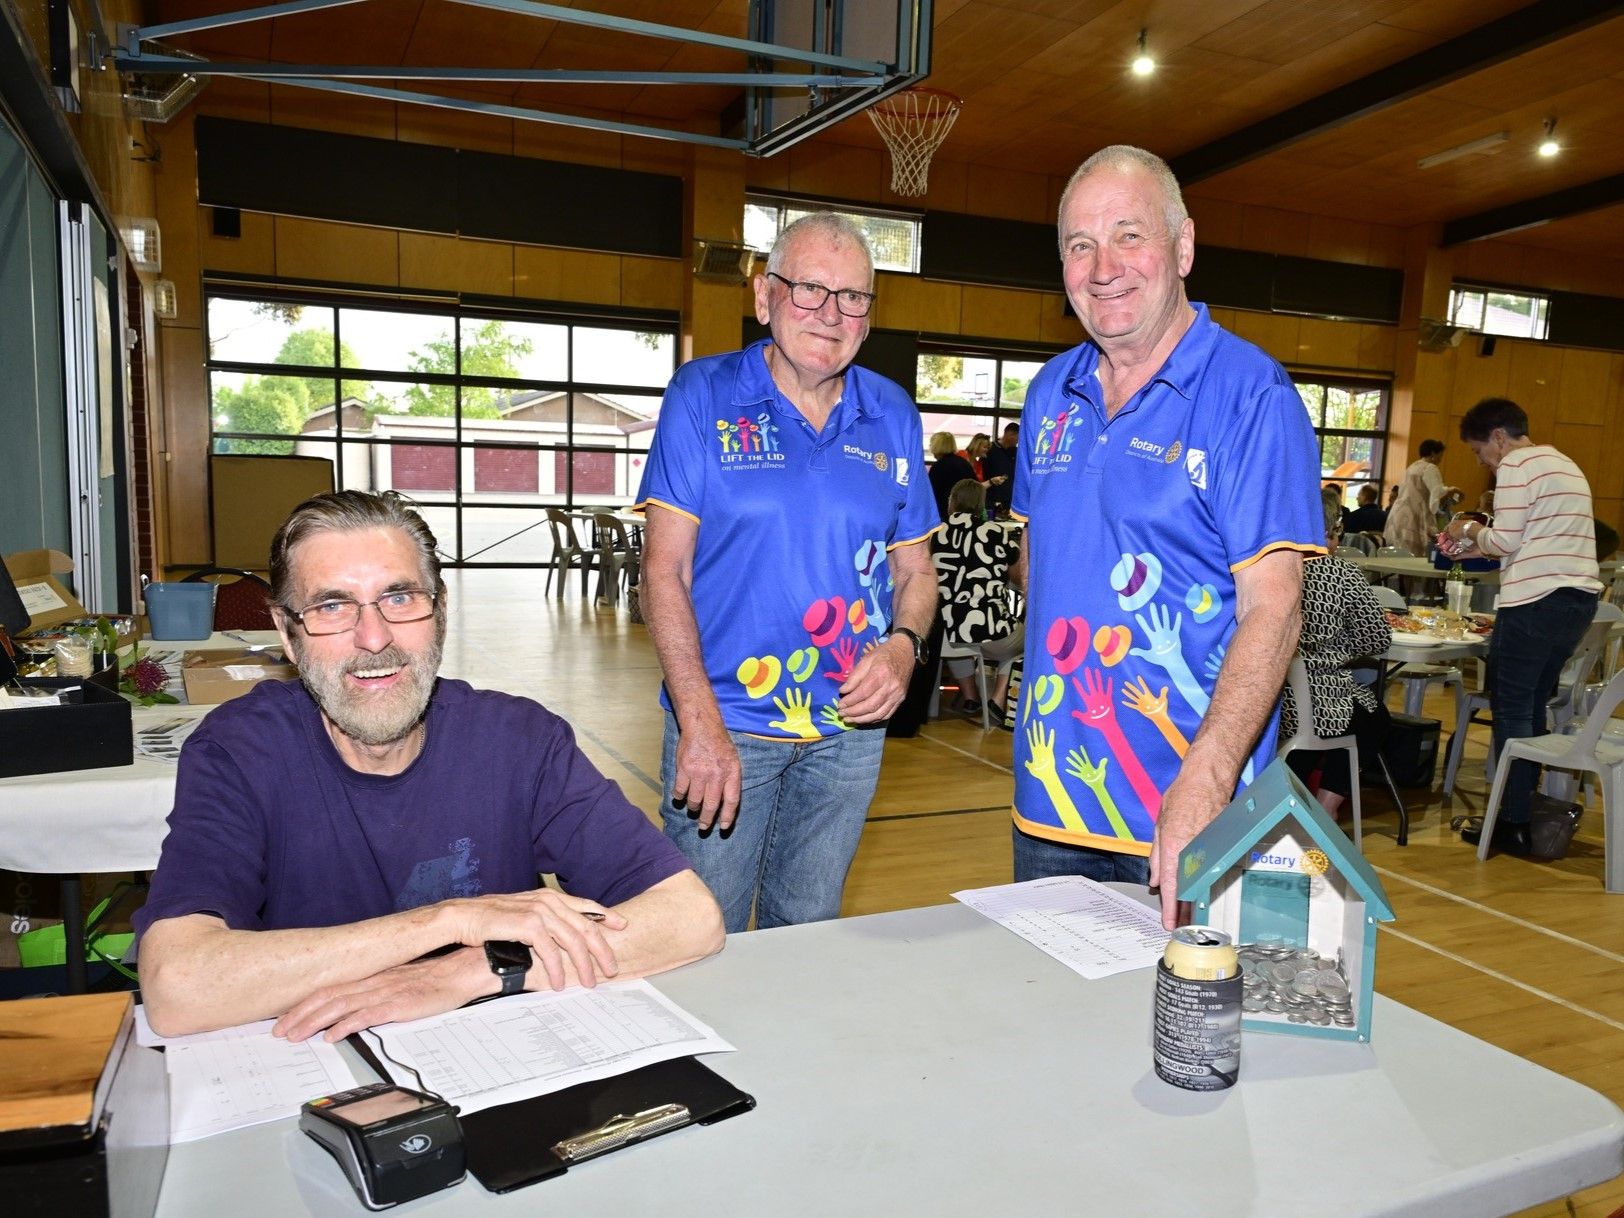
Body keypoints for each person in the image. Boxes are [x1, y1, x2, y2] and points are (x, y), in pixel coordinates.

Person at [134, 491, 723, 1039]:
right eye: (332, 606)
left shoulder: (518, 740)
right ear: (288, 636)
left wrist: (478, 968)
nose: (374, 637)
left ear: (439, 613)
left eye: (399, 598)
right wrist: (448, 922)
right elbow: (177, 986)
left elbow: (689, 916)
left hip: (498, 1053)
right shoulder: (240, 752)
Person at [1010, 145, 1323, 929]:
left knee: (1191, 1033)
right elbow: (1037, 560)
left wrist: (1208, 776)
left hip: (1188, 803)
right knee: (1037, 1029)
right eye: (1080, 245)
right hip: (1048, 798)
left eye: (1129, 235)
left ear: (1182, 246)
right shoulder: (1050, 390)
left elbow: (1275, 608)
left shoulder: (1251, 394)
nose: (1103, 266)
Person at [636, 212, 939, 933]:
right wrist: (698, 719)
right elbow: (663, 573)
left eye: (853, 297)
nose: (831, 314)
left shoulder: (892, 412)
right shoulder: (702, 396)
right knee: (698, 935)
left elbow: (918, 573)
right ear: (764, 296)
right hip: (726, 724)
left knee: (808, 935)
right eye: (809, 290)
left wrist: (903, 648)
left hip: (847, 738)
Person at [1443, 398, 1602, 856]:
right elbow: (1529, 542)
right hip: (1578, 602)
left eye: (1479, 453)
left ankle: (1510, 824)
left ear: (1497, 436)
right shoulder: (1563, 462)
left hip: (1533, 604)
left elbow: (1505, 538)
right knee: (1532, 709)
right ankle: (1522, 815)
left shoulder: (1516, 464)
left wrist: (1466, 529)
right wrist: (1478, 549)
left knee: (1512, 714)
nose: (1483, 463)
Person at [1282, 496, 1392, 817]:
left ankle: (1285, 804)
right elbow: (1377, 637)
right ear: (1332, 531)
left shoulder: (1268, 567)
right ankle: (1327, 807)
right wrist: (1340, 647)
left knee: (1304, 738)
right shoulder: (1342, 574)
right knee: (1373, 716)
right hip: (1322, 703)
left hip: (1272, 704)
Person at [937, 478, 1025, 718]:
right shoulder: (996, 533)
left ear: (952, 502)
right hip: (992, 631)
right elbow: (1017, 577)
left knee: (960, 639)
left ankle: (971, 698)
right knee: (1028, 639)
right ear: (980, 504)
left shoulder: (935, 534)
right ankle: (997, 699)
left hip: (947, 633)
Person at [1385, 439, 1460, 556]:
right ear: (1433, 453)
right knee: (1414, 558)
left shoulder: (1412, 467)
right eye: (1440, 454)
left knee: (1398, 556)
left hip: (1398, 515)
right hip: (1415, 516)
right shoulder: (1430, 468)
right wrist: (1452, 490)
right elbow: (1437, 492)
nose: (1441, 458)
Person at [928, 430, 978, 522]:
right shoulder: (964, 463)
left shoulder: (938, 467)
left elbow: (931, 494)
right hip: (967, 513)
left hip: (944, 514)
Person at [983, 422, 1019, 513]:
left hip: (1009, 498)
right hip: (991, 497)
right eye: (1017, 438)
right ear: (1009, 434)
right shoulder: (990, 449)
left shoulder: (1016, 452)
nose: (1018, 441)